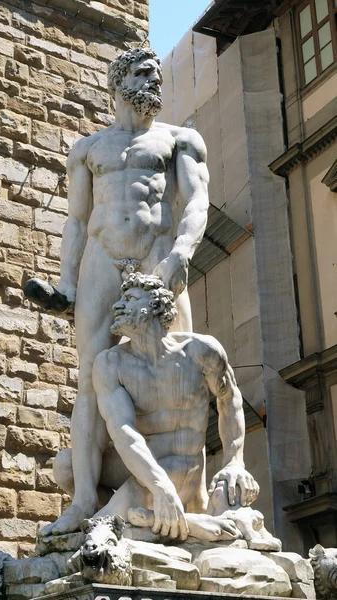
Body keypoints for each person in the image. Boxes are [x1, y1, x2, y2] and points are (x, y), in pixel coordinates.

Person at [39, 47, 210, 537]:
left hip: (159, 255)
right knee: (90, 380)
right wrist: (66, 281)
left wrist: (180, 257)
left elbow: (197, 202)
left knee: (179, 370)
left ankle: (184, 496)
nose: (152, 80)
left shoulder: (180, 139)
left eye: (156, 74)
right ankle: (84, 500)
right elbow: (74, 221)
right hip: (101, 259)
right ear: (117, 81)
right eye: (141, 72)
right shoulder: (88, 149)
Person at [87, 273, 260, 540]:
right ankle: (177, 522)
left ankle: (161, 520)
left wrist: (234, 461)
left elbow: (230, 400)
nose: (118, 306)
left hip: (180, 465)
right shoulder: (111, 363)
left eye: (130, 299)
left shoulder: (200, 351)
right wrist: (159, 487)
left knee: (102, 530)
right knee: (65, 467)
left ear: (156, 305)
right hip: (143, 464)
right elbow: (123, 431)